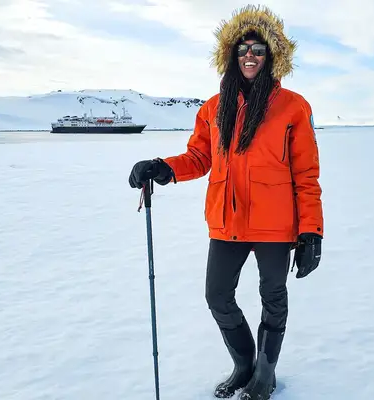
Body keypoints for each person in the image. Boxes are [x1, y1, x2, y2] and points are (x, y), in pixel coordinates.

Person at [128, 5, 323, 399]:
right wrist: (163, 167)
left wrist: (311, 232)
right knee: (217, 295)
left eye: (258, 49)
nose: (250, 56)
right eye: (242, 50)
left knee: (273, 299)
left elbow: (306, 175)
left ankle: (265, 375)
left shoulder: (293, 107)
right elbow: (200, 157)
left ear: (271, 56)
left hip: (274, 225)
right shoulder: (214, 109)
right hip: (227, 222)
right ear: (231, 56)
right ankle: (244, 365)